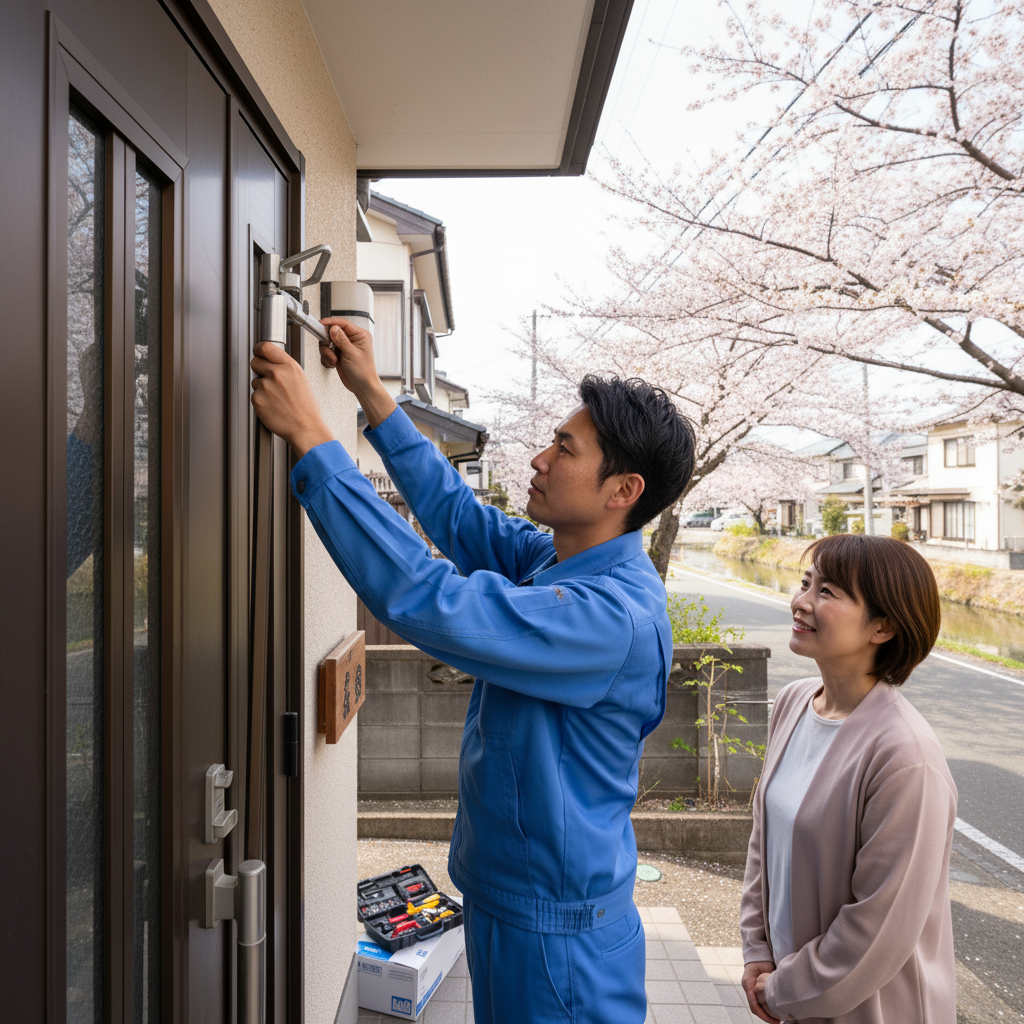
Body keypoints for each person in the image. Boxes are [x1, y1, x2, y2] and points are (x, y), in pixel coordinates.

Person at [249, 318, 696, 1024]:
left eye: (565, 449)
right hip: (516, 901)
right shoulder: (562, 559)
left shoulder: (609, 617)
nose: (540, 460)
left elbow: (431, 599)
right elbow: (459, 516)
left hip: (559, 935)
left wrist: (313, 438)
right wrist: (371, 392)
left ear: (622, 490)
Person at [740, 534, 957, 1024]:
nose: (801, 602)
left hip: (873, 1008)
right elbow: (764, 841)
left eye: (828, 592)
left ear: (883, 627)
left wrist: (783, 989)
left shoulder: (906, 756)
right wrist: (757, 948)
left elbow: (880, 925)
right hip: (793, 994)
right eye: (805, 583)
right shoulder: (795, 703)